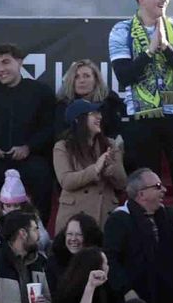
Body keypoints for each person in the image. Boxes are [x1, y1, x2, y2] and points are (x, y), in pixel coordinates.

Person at [108, 0, 173, 201]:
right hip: (141, 114)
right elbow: (124, 76)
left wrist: (165, 47)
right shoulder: (121, 30)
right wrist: (148, 52)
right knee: (146, 179)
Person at [0, 44, 60, 224]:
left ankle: (39, 231)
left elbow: (49, 128)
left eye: (6, 62)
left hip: (30, 158)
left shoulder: (40, 92)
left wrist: (29, 147)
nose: (1, 69)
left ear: (19, 62)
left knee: (42, 177)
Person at [102, 171, 173, 303]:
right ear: (141, 194)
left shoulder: (166, 215)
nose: (163, 189)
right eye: (157, 186)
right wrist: (126, 290)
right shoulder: (119, 220)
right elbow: (110, 260)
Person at [52, 99, 127, 234]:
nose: (100, 116)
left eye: (99, 113)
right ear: (78, 119)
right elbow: (66, 181)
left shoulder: (110, 144)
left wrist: (112, 167)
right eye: (93, 113)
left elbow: (122, 183)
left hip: (104, 216)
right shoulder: (62, 147)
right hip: (74, 220)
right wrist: (95, 169)